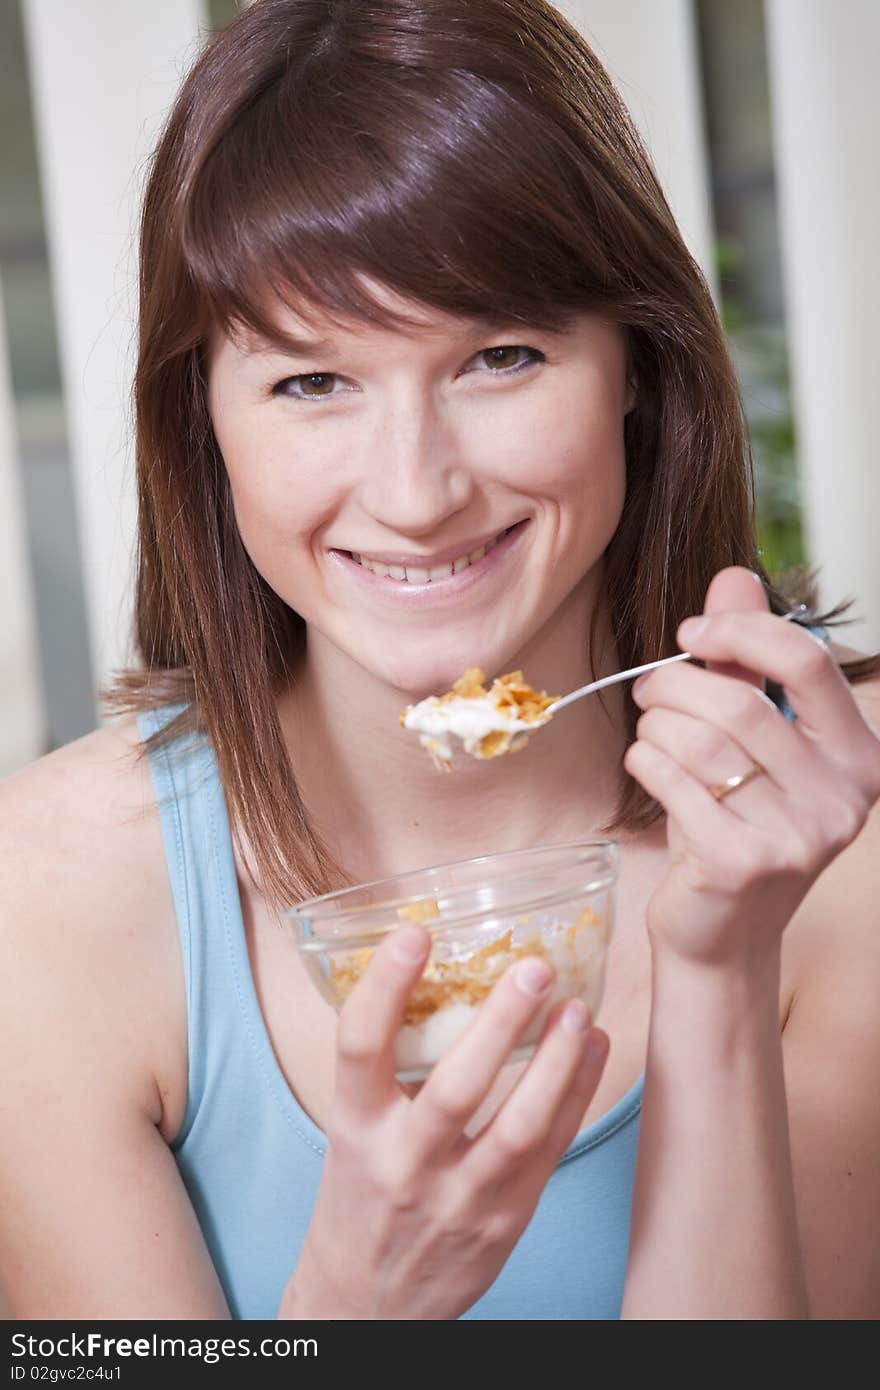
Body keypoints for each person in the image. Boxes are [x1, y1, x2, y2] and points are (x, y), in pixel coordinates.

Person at [2, 0, 879, 1322]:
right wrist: (356, 1303)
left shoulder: (841, 837)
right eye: (311, 381)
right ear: (206, 422)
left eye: (501, 357)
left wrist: (719, 971)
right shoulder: (47, 901)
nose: (416, 494)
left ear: (636, 368)